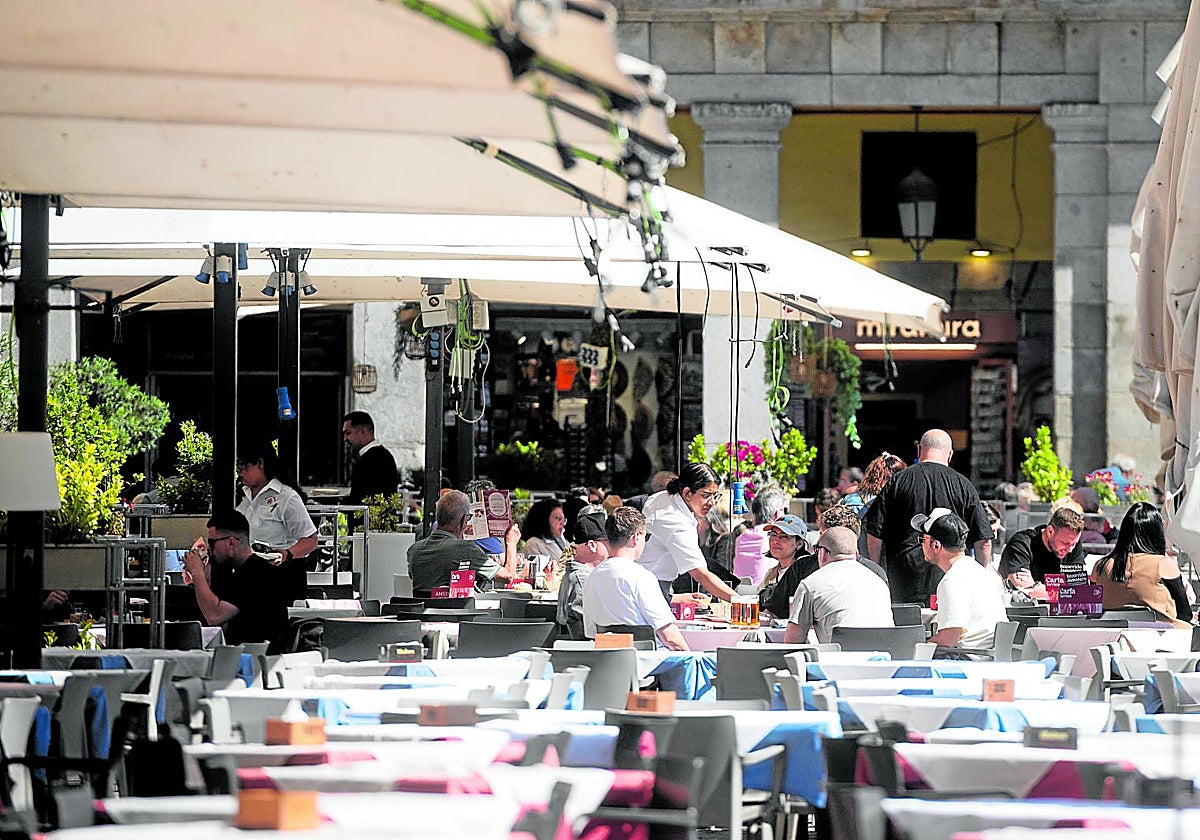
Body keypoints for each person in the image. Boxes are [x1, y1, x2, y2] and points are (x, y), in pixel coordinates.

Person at [864, 429, 993, 605]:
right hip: (950, 576)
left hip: (903, 577)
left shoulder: (898, 481)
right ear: (950, 455)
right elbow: (983, 541)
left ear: (919, 450)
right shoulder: (964, 485)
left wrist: (878, 571)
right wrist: (979, 576)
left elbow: (874, 532)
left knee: (907, 630)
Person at [181, 510, 293, 653]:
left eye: (212, 542)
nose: (210, 548)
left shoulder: (254, 574)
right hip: (245, 653)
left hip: (255, 658)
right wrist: (205, 576)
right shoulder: (245, 571)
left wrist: (197, 574)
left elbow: (215, 616)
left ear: (231, 543)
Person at [583, 507, 689, 650]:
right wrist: (691, 655)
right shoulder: (641, 576)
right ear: (635, 538)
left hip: (607, 660)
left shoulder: (592, 578)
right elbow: (670, 636)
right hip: (648, 659)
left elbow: (590, 632)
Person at [638, 463, 739, 602]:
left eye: (714, 496)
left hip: (650, 586)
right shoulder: (675, 522)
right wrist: (743, 602)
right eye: (706, 495)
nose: (712, 503)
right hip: (649, 588)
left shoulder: (663, 498)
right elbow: (701, 575)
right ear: (687, 493)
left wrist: (674, 598)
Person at [234, 441, 317, 603]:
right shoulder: (239, 496)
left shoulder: (286, 497)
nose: (239, 472)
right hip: (245, 574)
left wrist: (286, 554)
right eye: (237, 466)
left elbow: (310, 540)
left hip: (278, 576)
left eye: (243, 465)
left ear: (260, 463)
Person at [915, 509, 1007, 649]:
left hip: (969, 662)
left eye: (923, 539)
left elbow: (948, 640)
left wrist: (915, 648)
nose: (921, 545)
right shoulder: (977, 571)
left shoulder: (953, 580)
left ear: (936, 546)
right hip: (989, 659)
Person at [783, 526, 893, 644]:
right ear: (856, 553)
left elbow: (793, 642)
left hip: (837, 659)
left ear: (823, 553)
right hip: (884, 658)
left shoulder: (811, 583)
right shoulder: (878, 582)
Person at [1091, 502, 1192, 627]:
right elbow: (1185, 613)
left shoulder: (1101, 566)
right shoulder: (1162, 565)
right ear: (1157, 533)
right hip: (1161, 636)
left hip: (1110, 633)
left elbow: (1093, 607)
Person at [408, 491, 518, 595]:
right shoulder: (465, 549)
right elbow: (507, 577)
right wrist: (511, 542)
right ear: (463, 520)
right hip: (456, 612)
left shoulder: (414, 550)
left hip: (423, 612)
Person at [999, 507, 1086, 600]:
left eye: (1074, 544)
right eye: (1065, 543)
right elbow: (1023, 588)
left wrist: (1036, 587)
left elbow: (1080, 591)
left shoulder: (1072, 544)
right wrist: (1067, 592)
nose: (1070, 549)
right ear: (1050, 531)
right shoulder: (1021, 544)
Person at [558, 505, 609, 640]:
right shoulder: (583, 579)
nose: (613, 546)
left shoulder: (579, 575)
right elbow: (590, 634)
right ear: (592, 545)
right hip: (591, 653)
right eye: (608, 542)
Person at [758, 514, 818, 620]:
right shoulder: (771, 573)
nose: (776, 541)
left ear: (799, 543)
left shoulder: (804, 572)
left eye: (784, 536)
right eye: (773, 535)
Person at [733, 483, 790, 584]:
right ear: (778, 513)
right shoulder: (776, 540)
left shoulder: (741, 538)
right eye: (785, 512)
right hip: (767, 595)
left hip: (740, 593)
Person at [818, 505, 887, 582]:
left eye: (828, 538)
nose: (820, 541)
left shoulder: (874, 572)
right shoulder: (805, 566)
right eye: (821, 534)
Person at [341, 411, 398, 504]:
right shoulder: (381, 455)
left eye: (348, 433)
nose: (345, 439)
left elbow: (362, 497)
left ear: (362, 432)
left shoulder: (374, 459)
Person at [521, 498, 568, 562]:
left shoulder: (562, 541)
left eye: (563, 519)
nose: (563, 523)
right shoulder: (533, 544)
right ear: (544, 520)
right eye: (559, 519)